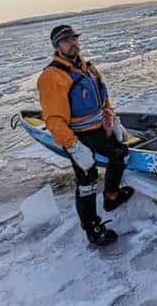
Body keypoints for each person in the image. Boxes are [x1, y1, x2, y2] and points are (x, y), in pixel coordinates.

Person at [37, 25, 134, 246]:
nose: (72, 43)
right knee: (87, 180)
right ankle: (91, 227)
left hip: (98, 129)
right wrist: (73, 147)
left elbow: (103, 97)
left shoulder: (88, 68)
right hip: (77, 136)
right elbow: (53, 119)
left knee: (120, 153)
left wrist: (113, 120)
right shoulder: (52, 77)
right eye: (66, 40)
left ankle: (111, 196)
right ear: (57, 46)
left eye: (74, 38)